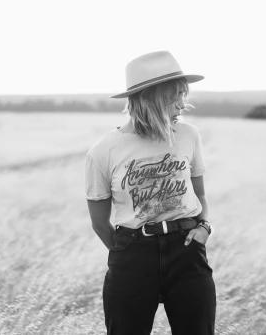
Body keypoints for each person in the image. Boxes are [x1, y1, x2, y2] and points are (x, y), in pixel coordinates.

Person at [85, 50, 216, 335]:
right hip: (133, 255)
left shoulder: (188, 135)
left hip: (187, 250)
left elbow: (200, 195)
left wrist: (205, 227)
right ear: (152, 97)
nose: (184, 103)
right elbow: (99, 222)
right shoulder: (103, 150)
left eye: (185, 94)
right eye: (176, 95)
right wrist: (129, 252)